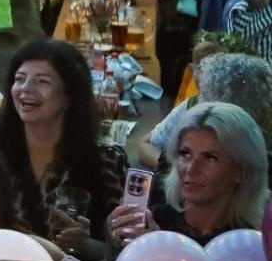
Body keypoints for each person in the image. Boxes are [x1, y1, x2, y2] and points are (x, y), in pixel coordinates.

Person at [0, 39, 126, 261]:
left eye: (42, 81)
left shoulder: (107, 163)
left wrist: (86, 245)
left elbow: (127, 254)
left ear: (69, 96)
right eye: (19, 79)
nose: (26, 89)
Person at [110, 103, 270, 250]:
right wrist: (115, 238)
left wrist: (157, 249)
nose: (192, 169)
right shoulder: (149, 221)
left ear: (241, 171)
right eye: (185, 153)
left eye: (210, 157)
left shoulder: (251, 246)